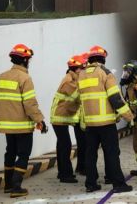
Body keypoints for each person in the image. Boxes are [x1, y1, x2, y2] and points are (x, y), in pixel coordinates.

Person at [0, 43, 48, 198]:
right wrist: (40, 120)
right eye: (28, 59)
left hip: (6, 126)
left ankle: (8, 185)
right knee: (23, 154)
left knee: (10, 152)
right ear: (24, 60)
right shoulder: (25, 78)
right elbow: (30, 104)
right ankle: (17, 187)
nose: (29, 62)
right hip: (22, 126)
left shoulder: (1, 77)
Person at [77, 45, 134, 194]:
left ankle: (91, 184)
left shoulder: (81, 75)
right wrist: (129, 116)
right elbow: (116, 98)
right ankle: (118, 184)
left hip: (90, 124)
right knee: (111, 153)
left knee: (90, 154)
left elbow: (82, 100)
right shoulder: (105, 73)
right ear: (102, 59)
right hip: (106, 123)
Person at [51, 53, 88, 183]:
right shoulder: (69, 81)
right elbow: (78, 95)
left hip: (63, 117)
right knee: (65, 145)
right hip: (59, 117)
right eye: (83, 68)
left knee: (62, 145)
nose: (84, 71)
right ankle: (65, 174)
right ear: (77, 69)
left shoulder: (72, 78)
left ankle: (62, 172)